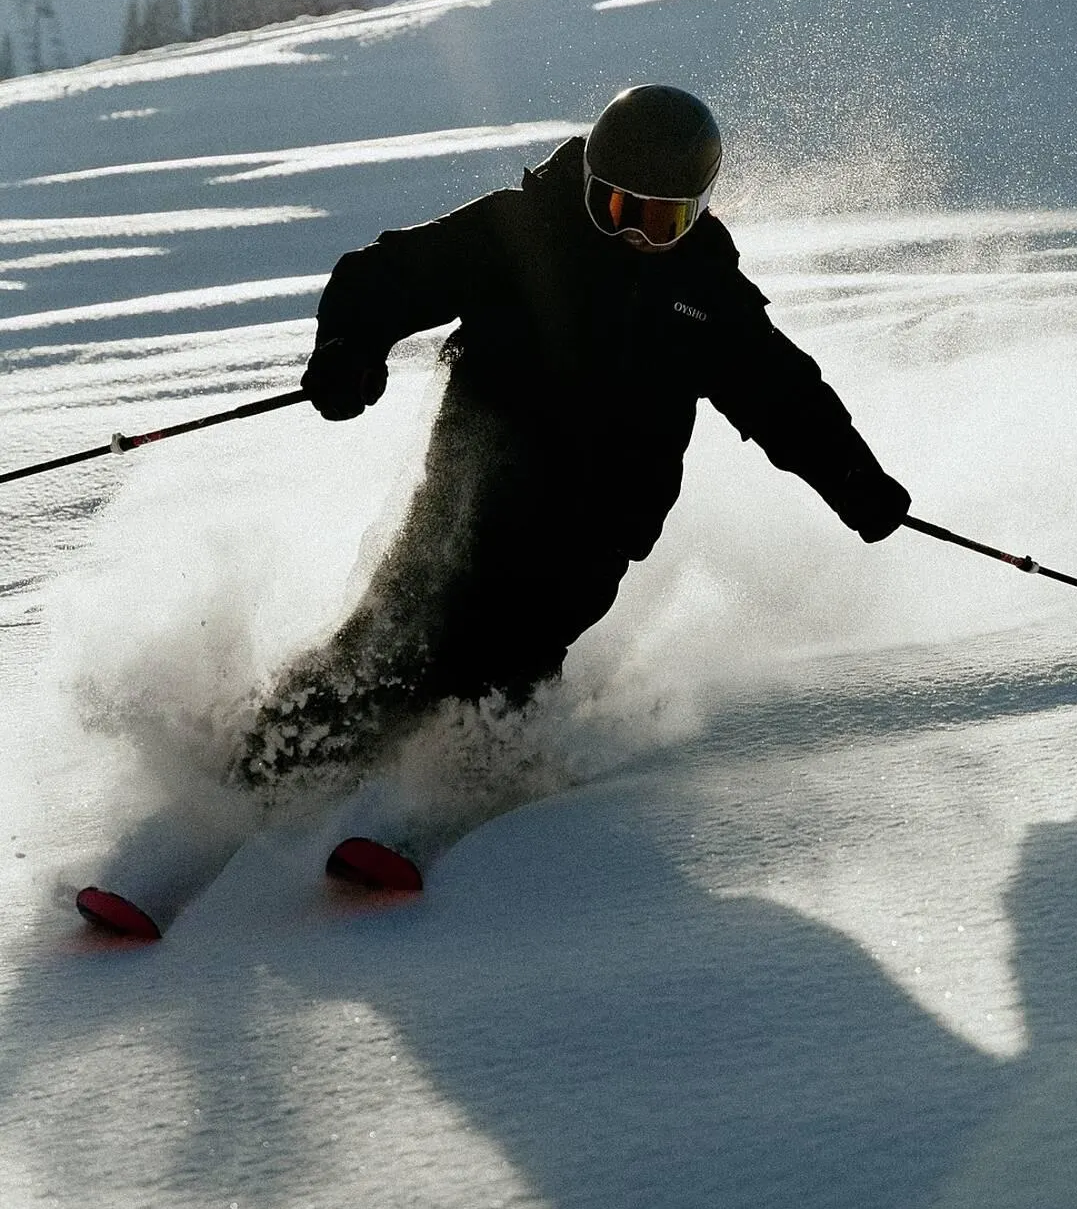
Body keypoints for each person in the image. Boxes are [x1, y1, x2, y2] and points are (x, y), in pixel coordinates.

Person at [234, 85, 911, 789]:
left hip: (594, 528)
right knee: (392, 638)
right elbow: (387, 276)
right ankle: (256, 775)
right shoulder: (522, 232)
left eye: (664, 221)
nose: (636, 235)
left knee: (505, 664)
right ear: (587, 182)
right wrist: (347, 349)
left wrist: (854, 481)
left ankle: (456, 805)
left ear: (699, 210)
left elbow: (786, 399)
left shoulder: (708, 298)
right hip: (472, 491)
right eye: (617, 209)